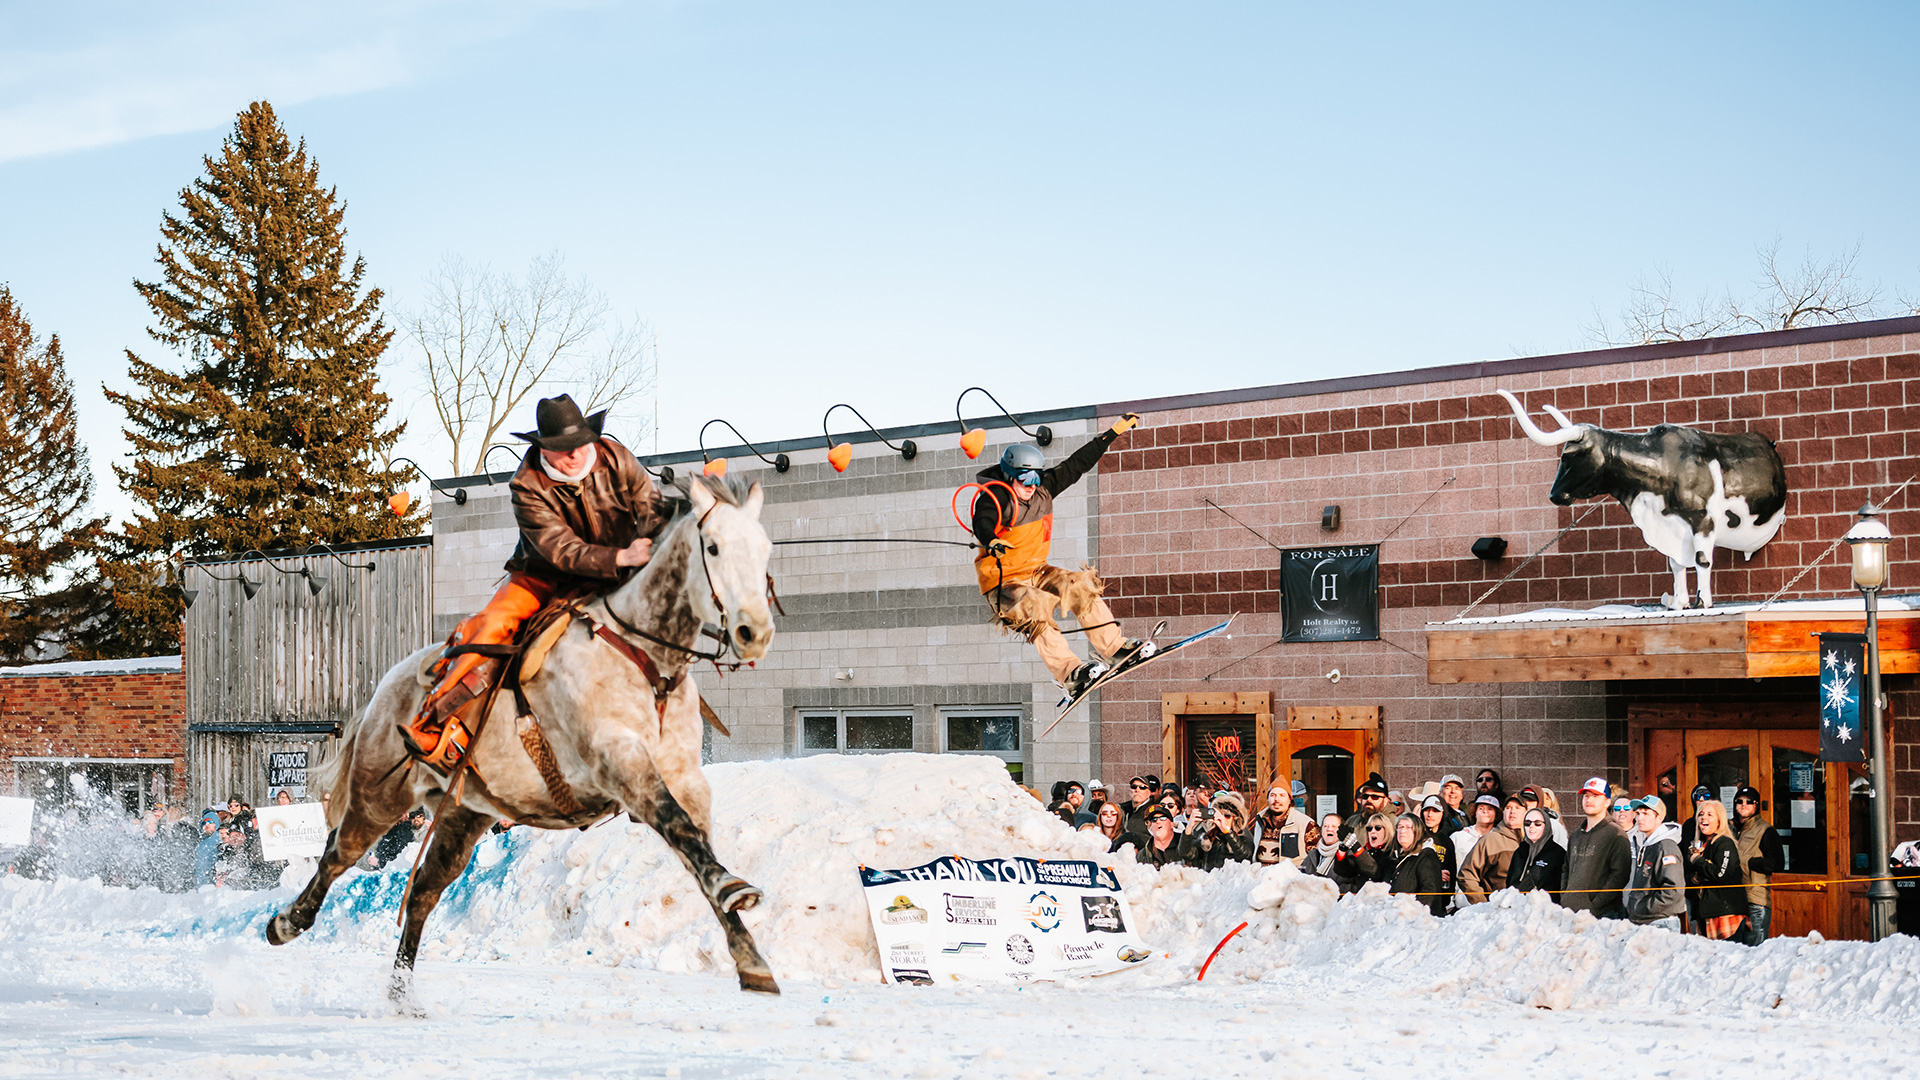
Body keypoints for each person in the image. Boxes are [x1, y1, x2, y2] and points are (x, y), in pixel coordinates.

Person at [404, 394, 670, 770]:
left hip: (618, 575)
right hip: (544, 576)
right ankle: (435, 723)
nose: (574, 454)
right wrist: (621, 556)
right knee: (489, 627)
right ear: (544, 448)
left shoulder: (616, 457)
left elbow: (651, 509)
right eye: (562, 448)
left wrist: (655, 540)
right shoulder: (526, 484)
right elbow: (561, 550)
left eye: (579, 444)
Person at [968, 416, 1149, 697]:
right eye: (1025, 478)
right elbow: (983, 520)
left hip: (1037, 571)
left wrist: (1112, 433)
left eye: (1035, 477)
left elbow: (1077, 465)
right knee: (1035, 605)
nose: (1031, 485)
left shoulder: (1043, 490)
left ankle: (1114, 648)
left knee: (1079, 585)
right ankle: (1071, 673)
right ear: (1008, 476)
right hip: (1003, 584)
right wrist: (991, 540)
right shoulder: (995, 497)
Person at [1559, 776, 1631, 918]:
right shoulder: (1576, 834)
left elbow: (1619, 876)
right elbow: (1566, 869)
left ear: (1607, 802)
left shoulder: (1616, 834)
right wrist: (1565, 895)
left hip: (1602, 915)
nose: (1589, 800)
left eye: (1596, 796)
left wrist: (1596, 904)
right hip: (1571, 913)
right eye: (1586, 796)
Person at [1688, 799, 1748, 941]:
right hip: (1705, 913)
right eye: (1701, 814)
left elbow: (1721, 874)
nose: (1704, 818)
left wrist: (1698, 861)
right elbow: (1690, 876)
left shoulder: (1725, 843)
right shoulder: (1700, 845)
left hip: (1725, 913)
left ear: (1720, 820)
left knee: (1728, 960)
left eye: (1710, 815)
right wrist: (1696, 876)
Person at [1624, 796, 1687, 931]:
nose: (1640, 818)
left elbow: (1673, 891)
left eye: (1646, 814)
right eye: (1638, 813)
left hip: (1660, 923)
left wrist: (1644, 907)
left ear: (1659, 818)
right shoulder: (1649, 844)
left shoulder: (1666, 847)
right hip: (1647, 922)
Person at [1731, 785, 1783, 944]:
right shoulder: (1728, 828)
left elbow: (1778, 863)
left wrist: (1755, 863)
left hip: (1755, 901)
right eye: (1739, 801)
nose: (1744, 805)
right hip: (1731, 902)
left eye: (1749, 802)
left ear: (1756, 805)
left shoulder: (1765, 830)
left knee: (1754, 952)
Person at [1458, 795, 1525, 903]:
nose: (1512, 811)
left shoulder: (1533, 841)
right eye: (1508, 808)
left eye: (1517, 808)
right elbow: (1466, 874)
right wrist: (1483, 905)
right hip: (1498, 912)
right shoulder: (1491, 839)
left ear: (1526, 812)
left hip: (1527, 911)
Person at [1389, 813, 1449, 916]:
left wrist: (1410, 913)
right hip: (1396, 919)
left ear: (1417, 832)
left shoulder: (1426, 857)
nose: (1403, 831)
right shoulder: (1396, 856)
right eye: (1400, 827)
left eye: (1408, 827)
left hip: (1419, 921)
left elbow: (1429, 893)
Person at [1450, 794, 1500, 908]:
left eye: (1490, 809)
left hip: (1492, 904)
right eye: (1481, 808)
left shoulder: (1500, 839)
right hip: (1462, 903)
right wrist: (1450, 903)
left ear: (1496, 814)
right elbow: (1450, 870)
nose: (1485, 812)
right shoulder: (1458, 837)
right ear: (1474, 812)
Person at [1253, 783, 1318, 867]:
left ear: (1290, 800)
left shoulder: (1306, 824)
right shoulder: (1260, 821)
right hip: (1263, 878)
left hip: (1291, 879)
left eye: (1282, 795)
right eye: (1273, 795)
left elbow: (1317, 859)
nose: (1277, 799)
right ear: (1267, 800)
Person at [1183, 791, 1252, 871]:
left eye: (1227, 816)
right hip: (1210, 881)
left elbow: (1245, 856)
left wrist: (1227, 832)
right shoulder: (1209, 837)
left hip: (1232, 881)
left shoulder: (1243, 834)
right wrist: (1189, 828)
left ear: (1235, 818)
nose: (1222, 819)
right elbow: (1187, 854)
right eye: (1219, 815)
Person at [1331, 812, 1396, 895]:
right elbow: (1343, 871)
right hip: (1361, 901)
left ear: (1387, 831)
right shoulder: (1365, 851)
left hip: (1379, 901)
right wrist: (1343, 848)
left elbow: (1375, 871)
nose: (1372, 831)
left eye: (1378, 828)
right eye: (1369, 828)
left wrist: (1354, 845)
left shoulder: (1391, 853)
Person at [1509, 808, 1567, 895]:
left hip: (1547, 906)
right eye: (1527, 823)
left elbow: (1562, 885)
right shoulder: (1519, 852)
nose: (1531, 826)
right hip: (1519, 905)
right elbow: (1510, 881)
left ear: (1546, 825)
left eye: (1537, 823)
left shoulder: (1557, 853)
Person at [1417, 795, 1457, 895]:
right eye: (1427, 810)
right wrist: (1435, 874)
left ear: (1443, 814)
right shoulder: (1416, 837)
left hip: (1440, 899)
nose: (1430, 814)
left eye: (1435, 810)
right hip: (1417, 897)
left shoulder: (1447, 841)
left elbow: (1451, 871)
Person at [193, 812, 222, 887]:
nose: (206, 825)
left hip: (213, 888)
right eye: (204, 823)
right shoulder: (201, 844)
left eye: (210, 822)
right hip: (200, 887)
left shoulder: (220, 840)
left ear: (216, 823)